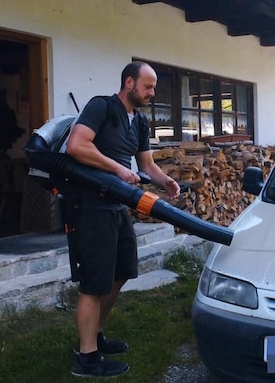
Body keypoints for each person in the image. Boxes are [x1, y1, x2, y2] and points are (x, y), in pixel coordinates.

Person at [64, 61, 181, 377]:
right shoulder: (102, 107)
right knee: (94, 283)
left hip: (117, 208)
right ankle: (86, 359)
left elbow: (146, 164)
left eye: (154, 87)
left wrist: (164, 181)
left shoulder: (140, 122)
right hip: (90, 206)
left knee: (122, 271)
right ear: (129, 83)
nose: (152, 93)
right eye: (148, 86)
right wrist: (116, 168)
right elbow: (77, 145)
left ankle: (94, 336)